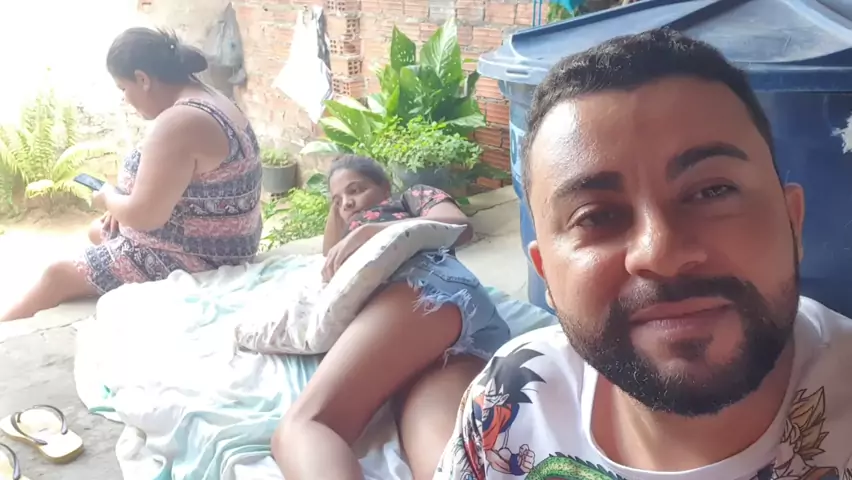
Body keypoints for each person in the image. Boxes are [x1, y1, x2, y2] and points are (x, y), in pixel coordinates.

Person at [436, 29, 852, 479]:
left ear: (792, 222)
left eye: (712, 191)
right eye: (596, 216)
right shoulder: (508, 404)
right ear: (546, 276)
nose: (661, 252)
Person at [272, 155, 511, 480]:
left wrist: (372, 231)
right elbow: (327, 256)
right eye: (338, 199)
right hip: (454, 333)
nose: (347, 202)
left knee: (305, 424)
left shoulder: (408, 199)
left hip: (425, 289)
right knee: (443, 467)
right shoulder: (348, 232)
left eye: (356, 189)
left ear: (384, 187)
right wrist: (339, 211)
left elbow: (457, 224)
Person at [0, 28, 262, 321]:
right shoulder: (211, 97)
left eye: (123, 89)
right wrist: (123, 206)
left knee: (57, 275)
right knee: (97, 231)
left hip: (204, 260)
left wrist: (108, 198)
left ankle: (6, 331)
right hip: (229, 242)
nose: (125, 99)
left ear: (143, 79)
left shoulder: (179, 122)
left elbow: (144, 216)